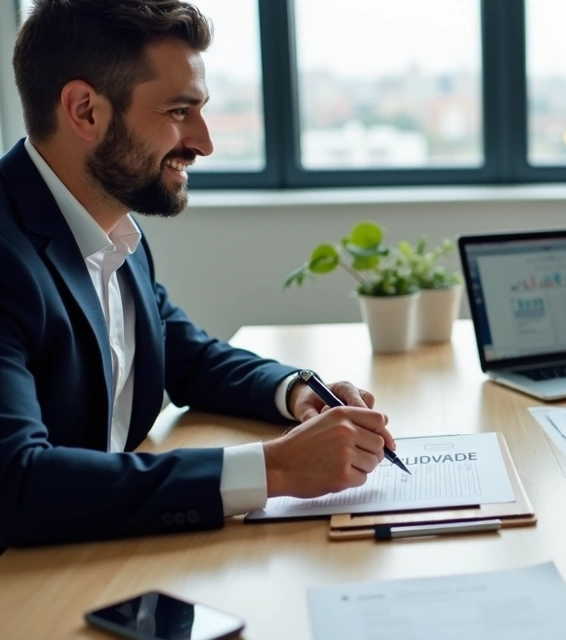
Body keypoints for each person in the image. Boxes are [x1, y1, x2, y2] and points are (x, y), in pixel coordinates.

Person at [0, 0, 397, 548]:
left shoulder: (114, 231)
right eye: (178, 111)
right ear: (85, 110)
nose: (205, 142)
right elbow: (14, 482)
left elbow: (187, 355)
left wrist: (299, 392)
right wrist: (274, 470)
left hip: (101, 550)